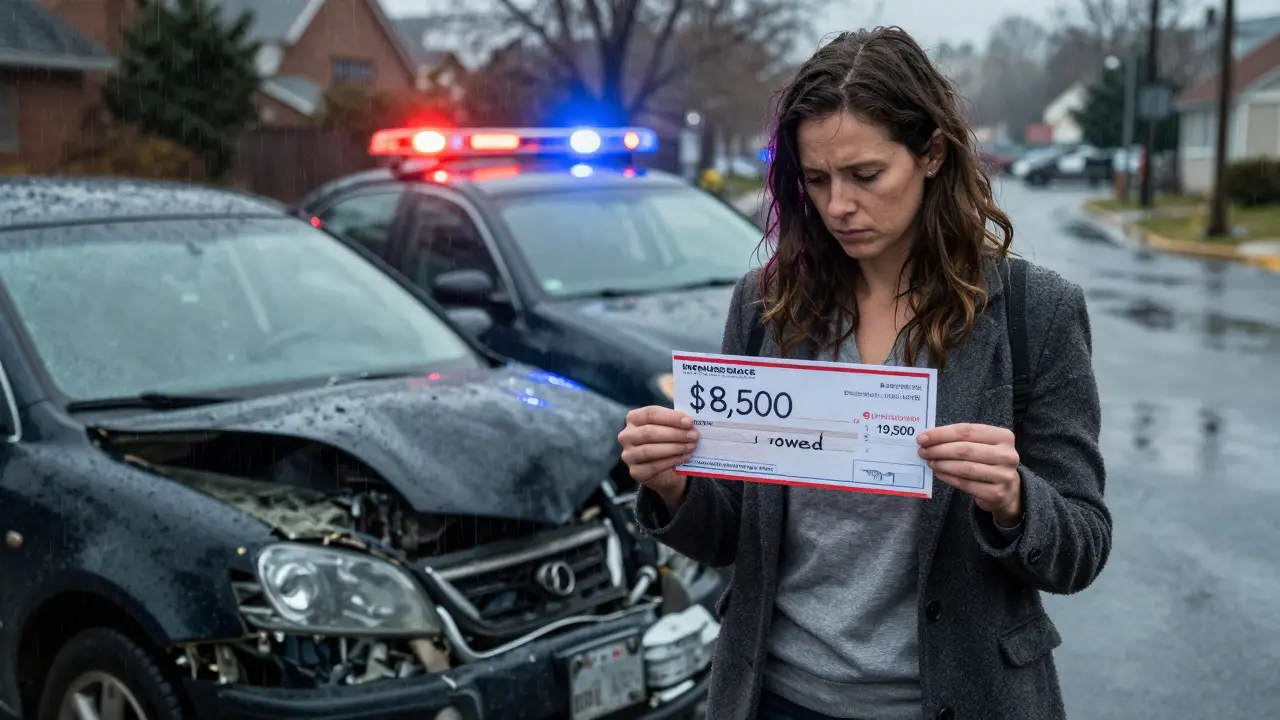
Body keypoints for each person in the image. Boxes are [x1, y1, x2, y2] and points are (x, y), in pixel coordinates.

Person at [617, 26, 1111, 720]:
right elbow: (731, 537)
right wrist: (674, 488)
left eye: (866, 175)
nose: (838, 206)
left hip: (959, 700)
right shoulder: (765, 306)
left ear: (932, 154)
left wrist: (1015, 499)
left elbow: (1081, 545)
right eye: (816, 180)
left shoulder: (1036, 312)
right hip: (778, 697)